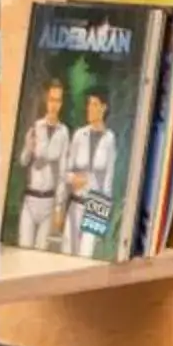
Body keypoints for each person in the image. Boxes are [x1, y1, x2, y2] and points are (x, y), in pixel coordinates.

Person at [62, 86, 119, 256]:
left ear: (103, 107)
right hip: (75, 202)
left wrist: (104, 217)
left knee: (86, 255)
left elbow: (108, 179)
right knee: (67, 253)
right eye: (89, 104)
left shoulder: (110, 139)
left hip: (95, 206)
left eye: (94, 104)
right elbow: (65, 171)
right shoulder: (80, 135)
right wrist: (74, 179)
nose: (90, 108)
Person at [15, 79, 71, 251]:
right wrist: (28, 147)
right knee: (23, 248)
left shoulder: (64, 132)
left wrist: (59, 206)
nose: (54, 105)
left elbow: (63, 170)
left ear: (61, 103)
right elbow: (23, 161)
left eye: (58, 100)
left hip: (49, 201)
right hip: (30, 199)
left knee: (40, 253)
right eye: (51, 100)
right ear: (46, 100)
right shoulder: (36, 126)